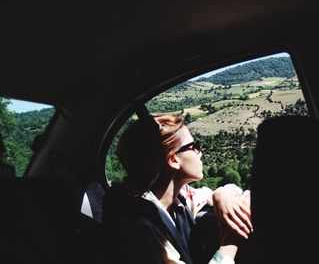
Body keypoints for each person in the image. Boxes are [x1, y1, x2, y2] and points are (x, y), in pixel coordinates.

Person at [101, 108, 252, 264]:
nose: (200, 153)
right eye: (195, 146)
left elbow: (210, 194)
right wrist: (230, 240)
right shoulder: (139, 230)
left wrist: (222, 193)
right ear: (173, 160)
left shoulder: (179, 196)